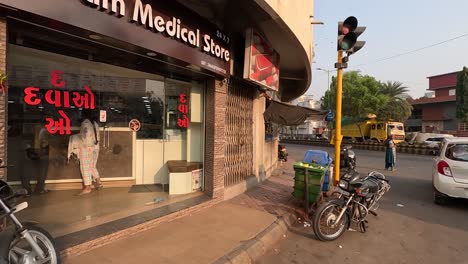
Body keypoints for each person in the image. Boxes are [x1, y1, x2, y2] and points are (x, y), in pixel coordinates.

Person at [77, 110, 102, 195]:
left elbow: (85, 137)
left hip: (87, 147)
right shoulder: (95, 123)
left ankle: (87, 187)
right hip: (96, 147)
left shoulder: (85, 123)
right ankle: (98, 182)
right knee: (92, 166)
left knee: (85, 167)